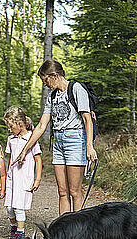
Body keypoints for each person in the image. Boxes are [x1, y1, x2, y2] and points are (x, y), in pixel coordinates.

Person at [14, 59, 97, 215]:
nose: (45, 84)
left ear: (54, 75)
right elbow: (41, 126)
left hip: (75, 140)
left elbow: (87, 119)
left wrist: (89, 145)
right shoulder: (52, 97)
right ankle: (64, 233)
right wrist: (25, 149)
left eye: (45, 80)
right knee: (62, 191)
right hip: (58, 142)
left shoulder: (77, 89)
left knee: (75, 191)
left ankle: (79, 233)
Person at [3, 107, 42, 239]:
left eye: (11, 126)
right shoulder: (11, 140)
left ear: (20, 124)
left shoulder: (32, 139)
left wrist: (37, 179)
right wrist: (7, 175)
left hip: (24, 179)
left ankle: (20, 235)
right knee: (9, 208)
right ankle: (14, 228)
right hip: (12, 179)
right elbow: (10, 159)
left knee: (19, 207)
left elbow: (38, 160)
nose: (9, 129)